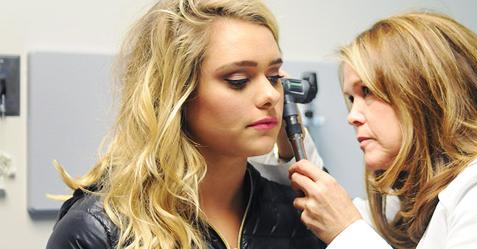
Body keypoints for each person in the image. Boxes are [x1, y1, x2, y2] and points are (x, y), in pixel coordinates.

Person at [288, 12, 477, 248]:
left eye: (367, 91)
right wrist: (289, 136)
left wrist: (347, 233)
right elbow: (336, 210)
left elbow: (352, 228)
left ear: (427, 90)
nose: (352, 116)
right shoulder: (413, 200)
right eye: (351, 98)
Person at [45, 0, 325, 249]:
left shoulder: (298, 216)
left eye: (274, 76)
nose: (271, 95)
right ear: (176, 93)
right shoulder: (97, 231)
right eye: (238, 80)